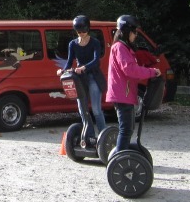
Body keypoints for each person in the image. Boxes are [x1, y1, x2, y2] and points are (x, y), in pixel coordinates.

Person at [105, 15, 161, 154]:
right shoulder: (119, 47)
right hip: (121, 94)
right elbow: (129, 70)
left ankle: (122, 156)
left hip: (126, 93)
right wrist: (152, 72)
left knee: (128, 129)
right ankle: (120, 159)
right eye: (134, 32)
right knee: (125, 130)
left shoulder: (125, 48)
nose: (136, 35)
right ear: (126, 31)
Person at [56, 15, 106, 144]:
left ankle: (103, 135)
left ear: (88, 29)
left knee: (96, 109)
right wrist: (63, 70)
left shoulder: (95, 42)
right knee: (82, 109)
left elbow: (96, 61)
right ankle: (89, 136)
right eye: (79, 32)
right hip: (80, 78)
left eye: (84, 31)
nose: (81, 34)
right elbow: (69, 61)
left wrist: (84, 67)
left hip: (93, 75)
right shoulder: (72, 44)